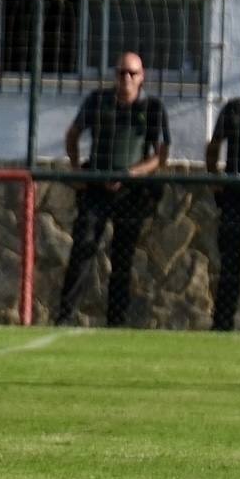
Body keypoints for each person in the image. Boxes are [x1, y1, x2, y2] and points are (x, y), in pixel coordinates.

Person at [54, 52, 171, 327]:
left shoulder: (152, 108)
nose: (126, 79)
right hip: (96, 188)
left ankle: (116, 321)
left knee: (123, 257)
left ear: (142, 77)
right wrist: (77, 169)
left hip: (131, 193)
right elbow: (72, 135)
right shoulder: (98, 101)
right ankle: (65, 316)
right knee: (83, 249)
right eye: (122, 73)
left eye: (132, 73)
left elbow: (160, 155)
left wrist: (131, 174)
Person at [205, 58, 240, 331]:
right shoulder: (232, 110)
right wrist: (214, 177)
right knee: (230, 264)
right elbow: (214, 145)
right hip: (236, 198)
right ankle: (222, 324)